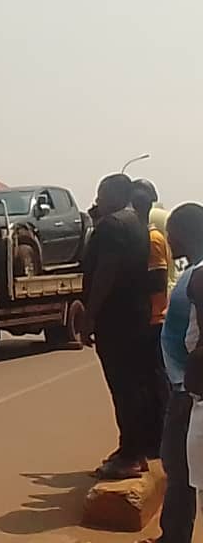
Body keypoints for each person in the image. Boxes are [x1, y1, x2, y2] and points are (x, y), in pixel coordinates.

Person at [81, 174, 152, 480]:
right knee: (133, 386)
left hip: (115, 319)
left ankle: (131, 455)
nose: (97, 200)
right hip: (135, 316)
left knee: (122, 387)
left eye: (100, 193)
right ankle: (132, 448)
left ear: (112, 193)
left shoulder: (112, 226)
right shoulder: (137, 223)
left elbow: (106, 273)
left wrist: (90, 315)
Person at [142, 203, 203, 543]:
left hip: (190, 392)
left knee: (180, 469)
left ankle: (174, 537)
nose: (168, 240)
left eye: (171, 234)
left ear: (182, 233)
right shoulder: (193, 271)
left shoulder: (199, 274)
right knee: (179, 468)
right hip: (183, 387)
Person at [131, 180, 171, 457]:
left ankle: (158, 441)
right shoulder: (142, 236)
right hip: (149, 318)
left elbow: (156, 281)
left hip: (155, 318)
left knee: (155, 384)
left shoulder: (152, 238)